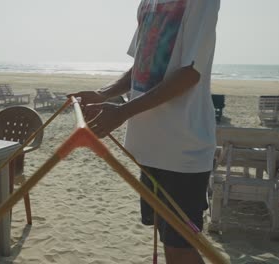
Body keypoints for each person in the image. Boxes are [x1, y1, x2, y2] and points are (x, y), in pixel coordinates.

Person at [69, 0, 220, 263]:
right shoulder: (148, 2)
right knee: (167, 240)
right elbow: (140, 64)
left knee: (181, 247)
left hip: (183, 150)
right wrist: (102, 94)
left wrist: (123, 112)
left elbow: (189, 74)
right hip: (147, 149)